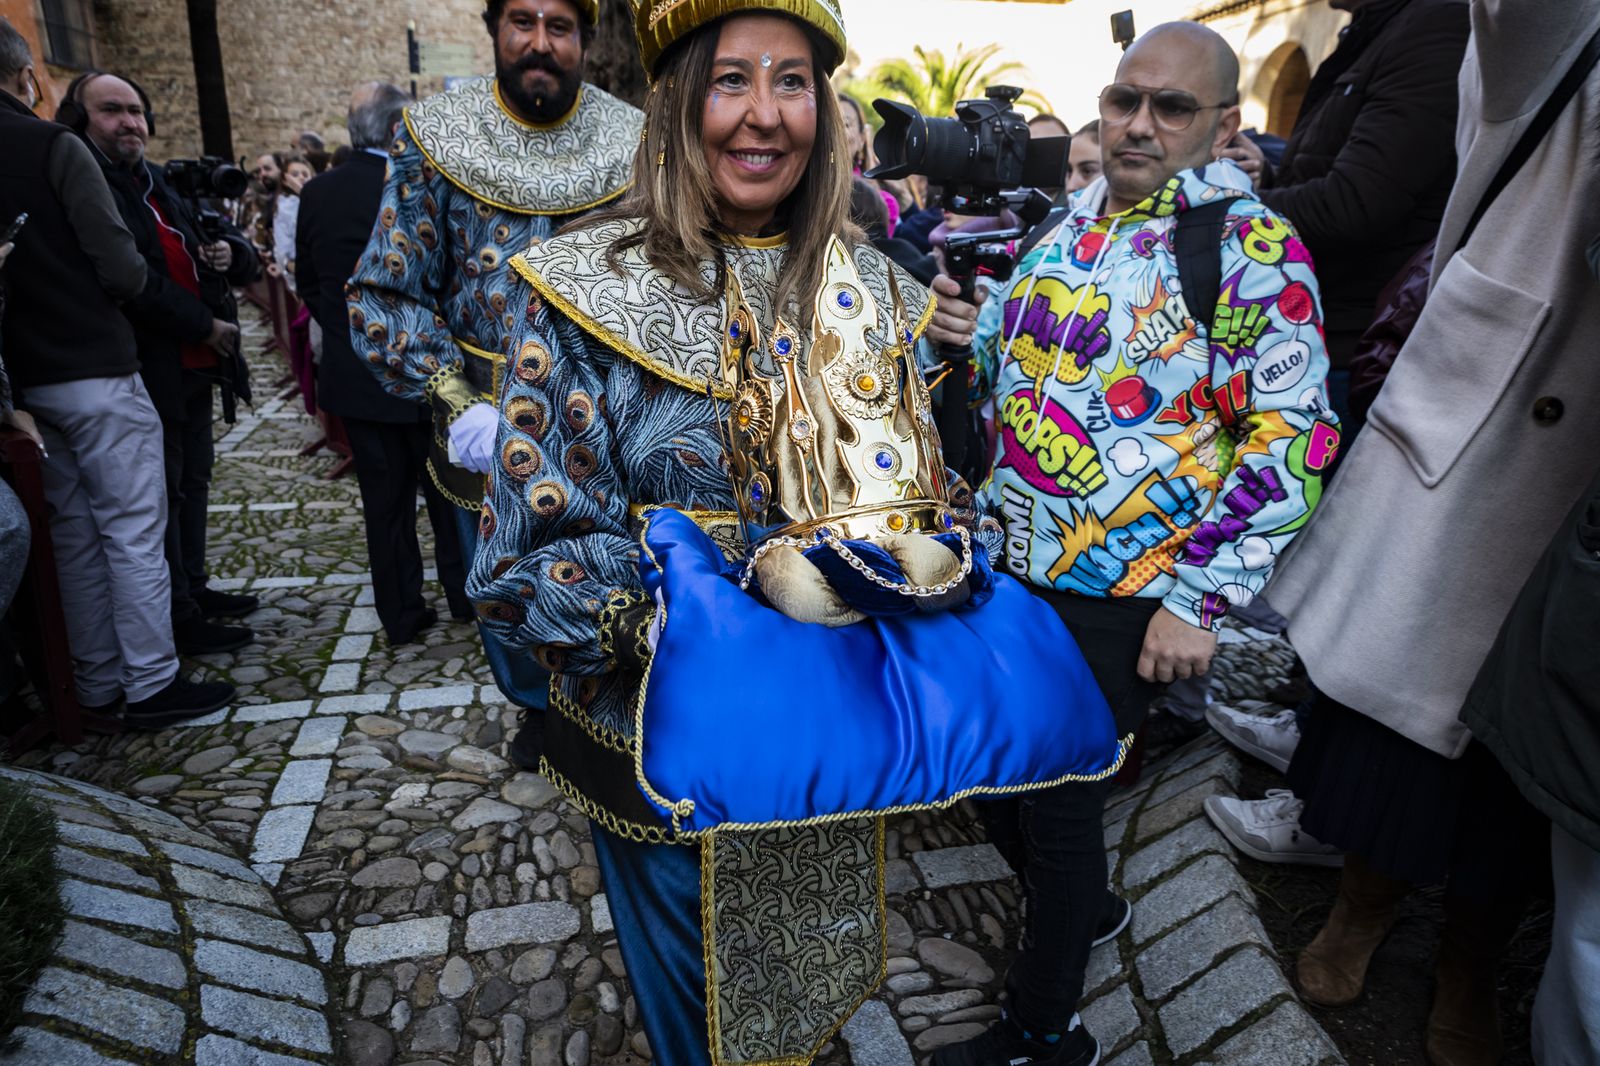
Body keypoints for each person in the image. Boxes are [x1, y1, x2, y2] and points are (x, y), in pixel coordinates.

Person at [468, 4, 1122, 1062]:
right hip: (665, 742)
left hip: (834, 733)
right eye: (731, 79)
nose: (764, 114)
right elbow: (525, 556)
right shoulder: (577, 290)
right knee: (709, 1019)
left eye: (793, 81)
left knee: (805, 987)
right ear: (678, 100)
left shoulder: (879, 291)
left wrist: (935, 550)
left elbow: (930, 489)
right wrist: (678, 623)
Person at [935, 22, 1337, 1065]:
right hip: (1012, 570)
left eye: (1171, 106)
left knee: (1059, 811)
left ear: (1221, 124)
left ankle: (1042, 1033)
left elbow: (1293, 437)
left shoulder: (1248, 247)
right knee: (995, 780)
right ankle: (1090, 910)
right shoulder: (1069, 223)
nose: (1139, 124)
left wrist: (1198, 600)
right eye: (1125, 100)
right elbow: (1008, 368)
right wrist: (960, 331)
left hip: (1127, 596)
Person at [1231, 3, 1600, 1061]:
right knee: (1403, 719)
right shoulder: (1545, 34)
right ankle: (1362, 906)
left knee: (1524, 754)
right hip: (1497, 430)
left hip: (1581, 461)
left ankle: (1468, 959)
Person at [348, 0, 643, 770]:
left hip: (611, 410)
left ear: (585, 38)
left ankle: (619, 706)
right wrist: (452, 396)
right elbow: (386, 288)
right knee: (506, 577)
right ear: (493, 29)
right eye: (523, 21)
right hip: (483, 418)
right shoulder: (433, 136)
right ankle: (538, 711)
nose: (540, 42)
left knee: (616, 565)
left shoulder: (635, 139)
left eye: (560, 25)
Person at [0, 21, 233, 725]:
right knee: (132, 529)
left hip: (26, 379)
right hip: (94, 364)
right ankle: (153, 680)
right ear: (27, 76)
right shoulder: (50, 144)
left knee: (72, 534)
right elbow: (123, 268)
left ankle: (97, 685)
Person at [66, 72, 263, 660]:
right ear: (80, 120)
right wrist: (205, 325)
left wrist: (231, 253)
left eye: (136, 111)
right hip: (147, 366)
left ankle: (193, 590)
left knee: (193, 482)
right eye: (112, 110)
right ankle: (177, 614)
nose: (130, 122)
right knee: (162, 497)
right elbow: (134, 282)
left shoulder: (155, 181)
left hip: (194, 370)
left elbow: (232, 248)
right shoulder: (90, 182)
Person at [1219, 0, 1468, 433]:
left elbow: (1355, 204)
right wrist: (1268, 176)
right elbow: (1346, 176)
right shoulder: (1376, 29)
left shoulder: (1435, 24)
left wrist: (1226, 202)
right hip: (1311, 336)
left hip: (1352, 355)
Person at [299, 83, 470, 646]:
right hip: (429, 371)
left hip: (356, 373)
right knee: (449, 493)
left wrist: (349, 332)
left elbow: (308, 282)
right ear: (402, 128)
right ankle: (463, 595)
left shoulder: (318, 191)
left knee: (384, 503)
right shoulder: (425, 181)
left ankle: (400, 611)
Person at [840, 93, 901, 233]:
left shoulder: (883, 203)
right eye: (830, 122)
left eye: (846, 124)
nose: (836, 131)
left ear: (861, 139)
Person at [272, 154, 315, 290]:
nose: (301, 177)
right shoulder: (285, 206)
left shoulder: (316, 200)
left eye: (305, 174)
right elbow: (284, 249)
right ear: (285, 180)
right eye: (295, 174)